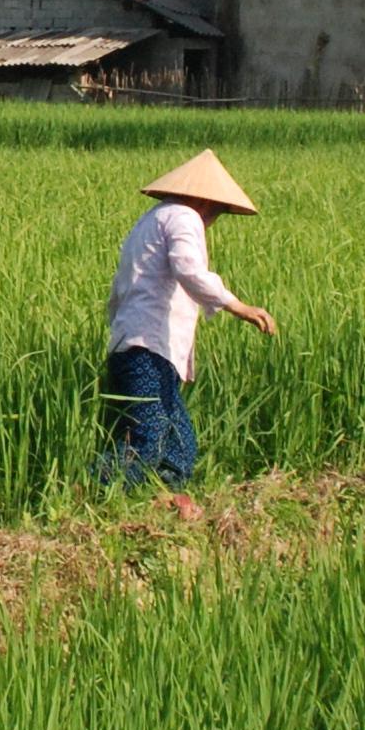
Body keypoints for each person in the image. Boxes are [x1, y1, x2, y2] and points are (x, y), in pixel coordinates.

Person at [102, 150, 277, 509]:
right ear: (204, 200)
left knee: (180, 445)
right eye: (217, 212)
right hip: (145, 348)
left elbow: (122, 289)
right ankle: (91, 491)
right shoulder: (183, 217)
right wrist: (238, 306)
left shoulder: (153, 218)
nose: (213, 220)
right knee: (148, 440)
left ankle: (160, 505)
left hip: (142, 346)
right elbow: (188, 269)